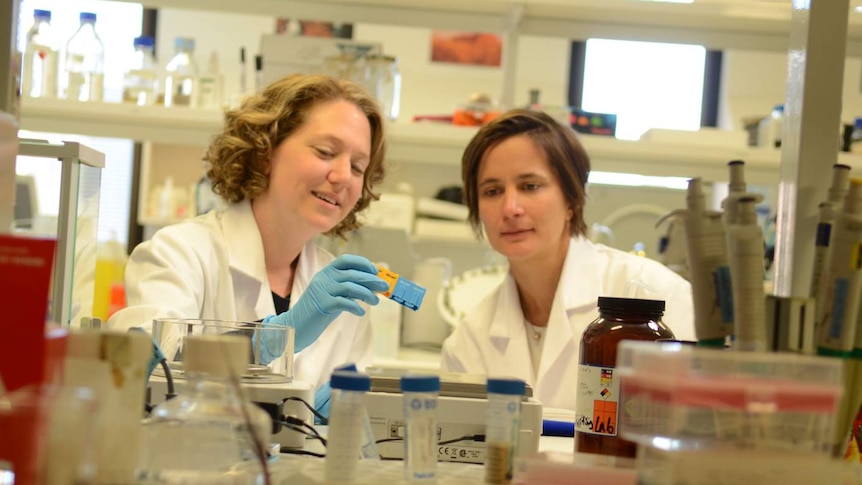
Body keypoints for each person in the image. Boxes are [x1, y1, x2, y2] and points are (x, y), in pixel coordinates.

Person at [109, 74, 390, 417]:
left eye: (358, 167)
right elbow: (149, 371)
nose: (344, 176)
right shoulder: (179, 253)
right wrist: (267, 342)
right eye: (326, 152)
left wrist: (335, 420)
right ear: (264, 153)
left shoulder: (343, 295)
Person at [440, 109, 695, 410]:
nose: (510, 208)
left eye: (530, 186)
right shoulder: (470, 339)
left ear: (572, 199)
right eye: (492, 191)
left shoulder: (652, 293)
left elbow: (699, 427)